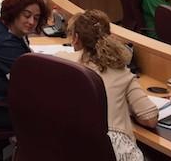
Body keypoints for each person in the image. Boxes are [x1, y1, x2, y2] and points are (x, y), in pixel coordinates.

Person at [57, 10, 158, 160]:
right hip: (110, 149)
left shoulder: (58, 62)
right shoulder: (120, 70)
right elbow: (150, 118)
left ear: (76, 38)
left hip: (67, 146)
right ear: (108, 36)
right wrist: (127, 112)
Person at [0, 0, 48, 130]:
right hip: (0, 109)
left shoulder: (1, 26)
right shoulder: (3, 44)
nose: (32, 22)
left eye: (36, 18)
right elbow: (29, 84)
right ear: (14, 13)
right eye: (27, 15)